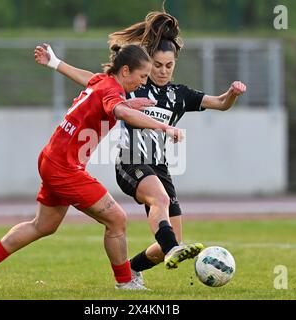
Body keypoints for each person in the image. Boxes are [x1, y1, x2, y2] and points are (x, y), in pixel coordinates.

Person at [34, 11, 246, 286]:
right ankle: (172, 250)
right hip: (130, 161)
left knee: (172, 233)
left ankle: (133, 268)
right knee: (160, 201)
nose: (162, 71)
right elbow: (93, 81)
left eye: (169, 65)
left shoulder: (179, 95)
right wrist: (56, 63)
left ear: (174, 64)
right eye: (157, 65)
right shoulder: (134, 84)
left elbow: (219, 103)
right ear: (148, 63)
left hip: (159, 167)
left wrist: (232, 94)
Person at [0, 44, 201, 291]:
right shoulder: (111, 91)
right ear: (125, 71)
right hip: (65, 168)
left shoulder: (102, 81)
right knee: (117, 220)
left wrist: (55, 63)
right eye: (142, 76)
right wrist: (164, 127)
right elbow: (120, 112)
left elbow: (91, 82)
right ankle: (125, 281)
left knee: (43, 226)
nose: (143, 82)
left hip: (51, 158)